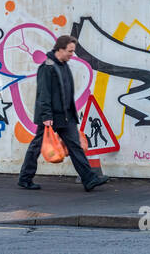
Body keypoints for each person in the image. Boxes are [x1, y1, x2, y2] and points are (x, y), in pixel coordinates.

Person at [17, 35, 108, 191]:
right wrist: (46, 116)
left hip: (65, 115)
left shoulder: (63, 64)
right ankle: (25, 178)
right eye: (70, 51)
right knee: (36, 146)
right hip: (51, 117)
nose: (72, 55)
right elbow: (43, 93)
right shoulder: (47, 67)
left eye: (73, 51)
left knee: (75, 146)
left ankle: (89, 179)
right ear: (60, 49)